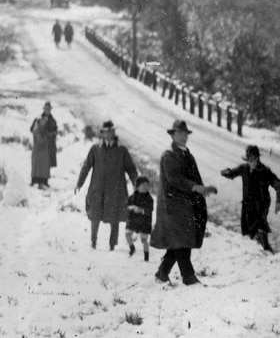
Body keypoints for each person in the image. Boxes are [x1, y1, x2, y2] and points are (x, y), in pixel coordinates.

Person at [150, 120, 217, 286]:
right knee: (180, 239)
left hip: (185, 205)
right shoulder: (169, 156)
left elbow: (194, 177)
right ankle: (188, 276)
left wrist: (203, 189)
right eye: (179, 133)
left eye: (185, 133)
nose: (183, 136)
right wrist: (195, 187)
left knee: (180, 240)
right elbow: (174, 179)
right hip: (172, 206)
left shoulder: (187, 154)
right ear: (173, 135)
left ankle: (161, 273)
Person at [75, 120, 138, 251]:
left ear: (114, 132)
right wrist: (79, 183)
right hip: (98, 188)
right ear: (102, 133)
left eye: (112, 131)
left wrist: (136, 183)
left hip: (116, 189)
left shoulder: (121, 150)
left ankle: (112, 245)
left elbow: (131, 169)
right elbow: (86, 167)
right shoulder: (95, 149)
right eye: (106, 131)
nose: (109, 134)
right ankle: (93, 241)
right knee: (95, 214)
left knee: (114, 216)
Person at [221, 145, 280, 253]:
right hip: (247, 205)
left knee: (260, 229)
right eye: (249, 159)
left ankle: (268, 252)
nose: (252, 162)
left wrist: (279, 201)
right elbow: (232, 173)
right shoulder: (244, 168)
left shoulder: (264, 171)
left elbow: (279, 185)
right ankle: (254, 254)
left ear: (258, 158)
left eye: (254, 159)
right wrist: (226, 172)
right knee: (248, 233)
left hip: (261, 205)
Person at [126, 176, 153, 262]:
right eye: (143, 185)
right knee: (127, 234)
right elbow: (126, 206)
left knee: (144, 239)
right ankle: (132, 247)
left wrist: (142, 210)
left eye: (147, 185)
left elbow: (150, 209)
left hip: (144, 221)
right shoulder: (132, 197)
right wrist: (131, 208)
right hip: (134, 220)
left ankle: (146, 256)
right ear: (137, 186)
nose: (145, 187)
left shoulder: (149, 198)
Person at [29, 114, 51, 189]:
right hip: (38, 151)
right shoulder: (37, 128)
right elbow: (40, 140)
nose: (45, 122)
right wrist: (47, 138)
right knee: (37, 167)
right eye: (44, 120)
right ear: (40, 120)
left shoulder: (42, 127)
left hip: (42, 151)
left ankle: (42, 181)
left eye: (46, 121)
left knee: (42, 167)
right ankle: (37, 182)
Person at [41, 101, 58, 169]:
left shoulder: (53, 120)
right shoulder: (40, 119)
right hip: (42, 144)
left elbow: (56, 130)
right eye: (46, 108)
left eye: (49, 109)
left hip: (51, 144)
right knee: (42, 162)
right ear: (44, 109)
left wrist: (53, 133)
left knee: (50, 161)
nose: (48, 110)